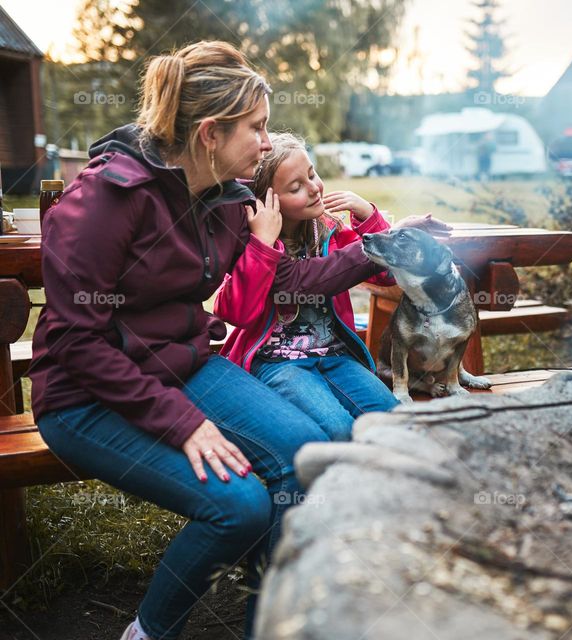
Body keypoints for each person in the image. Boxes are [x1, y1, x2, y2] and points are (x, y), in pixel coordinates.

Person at [29, 41, 388, 640]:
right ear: (211, 134)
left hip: (185, 365)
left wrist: (377, 247)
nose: (268, 143)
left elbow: (288, 281)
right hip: (84, 395)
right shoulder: (104, 201)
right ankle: (148, 631)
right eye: (257, 128)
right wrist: (183, 424)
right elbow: (78, 344)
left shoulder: (229, 199)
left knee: (302, 456)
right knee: (240, 506)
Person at [214, 132, 405, 441]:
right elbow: (236, 312)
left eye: (312, 174)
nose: (314, 188)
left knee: (394, 422)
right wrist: (262, 245)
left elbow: (387, 277)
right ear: (267, 201)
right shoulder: (252, 244)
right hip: (277, 362)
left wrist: (369, 218)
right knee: (338, 429)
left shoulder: (332, 231)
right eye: (296, 187)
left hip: (336, 355)